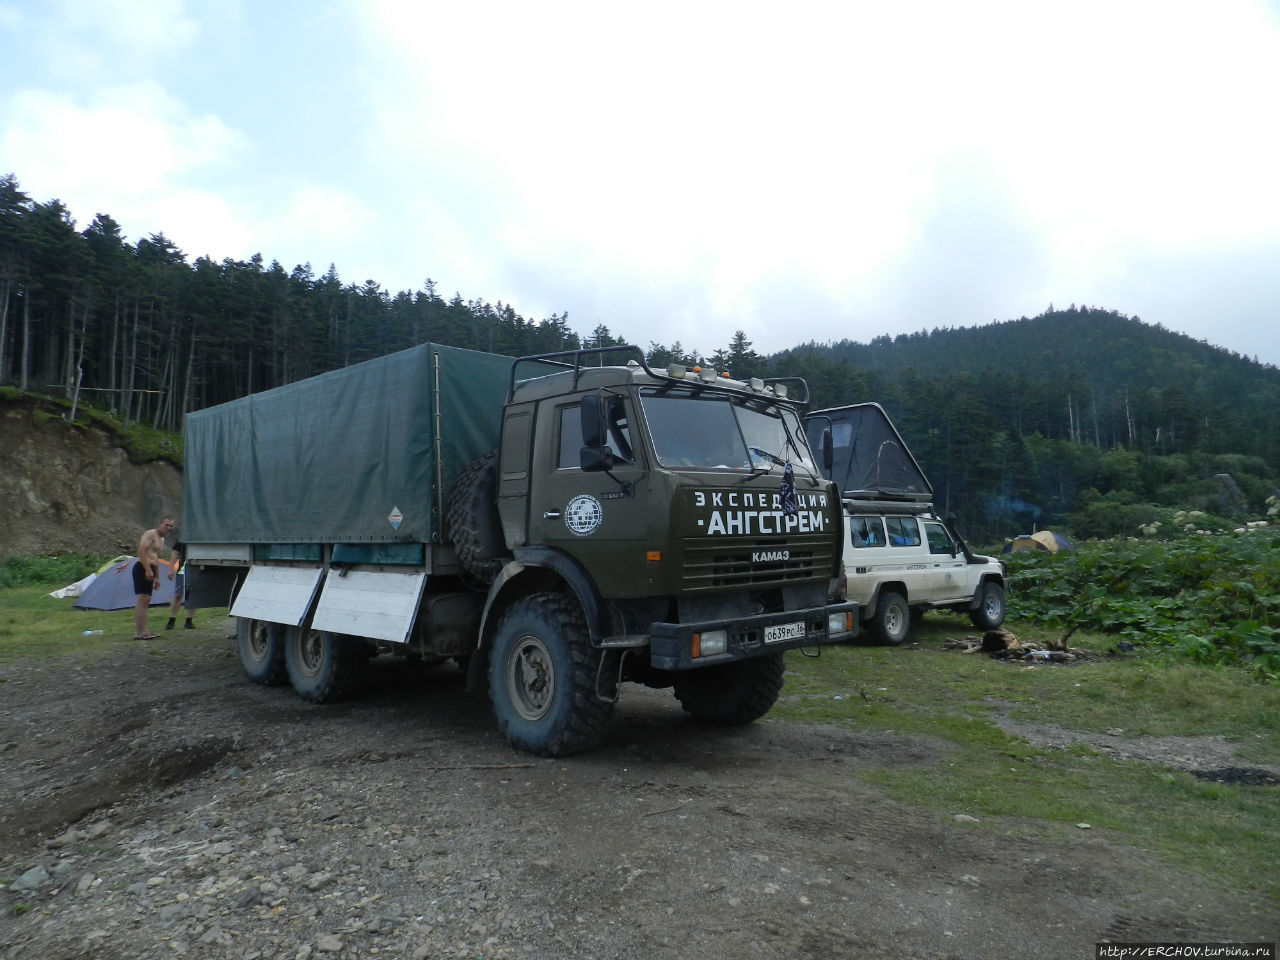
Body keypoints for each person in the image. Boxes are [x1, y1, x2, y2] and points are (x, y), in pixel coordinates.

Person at [133, 517, 175, 640]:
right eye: (166, 525)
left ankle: (144, 630)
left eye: (171, 526)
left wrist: (157, 577)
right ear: (160, 524)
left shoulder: (161, 539)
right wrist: (147, 569)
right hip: (142, 567)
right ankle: (139, 632)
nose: (169, 528)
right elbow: (141, 551)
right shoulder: (150, 534)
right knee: (142, 599)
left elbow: (156, 557)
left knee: (147, 599)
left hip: (151, 568)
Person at [164, 534, 196, 630]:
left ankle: (189, 620)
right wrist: (170, 569)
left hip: (195, 569)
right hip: (183, 568)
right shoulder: (182, 537)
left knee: (193, 594)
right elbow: (174, 553)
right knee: (178, 594)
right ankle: (172, 619)